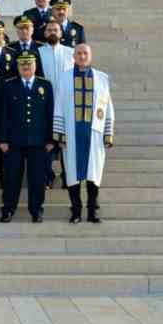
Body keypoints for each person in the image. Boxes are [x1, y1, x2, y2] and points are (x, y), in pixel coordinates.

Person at [54, 43, 115, 225]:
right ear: (73, 56)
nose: (82, 56)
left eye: (85, 53)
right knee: (73, 173)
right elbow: (58, 106)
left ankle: (92, 211)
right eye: (79, 53)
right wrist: (59, 133)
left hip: (94, 134)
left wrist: (108, 133)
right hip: (72, 133)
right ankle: (76, 211)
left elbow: (108, 107)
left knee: (93, 174)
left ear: (91, 56)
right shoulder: (64, 79)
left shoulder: (102, 78)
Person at [0, 51, 55, 222]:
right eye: (22, 64)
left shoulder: (45, 85)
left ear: (35, 65)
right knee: (11, 177)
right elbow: (3, 114)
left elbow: (50, 113)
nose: (26, 67)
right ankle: (8, 209)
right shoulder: (9, 85)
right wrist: (3, 139)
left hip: (39, 142)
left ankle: (36, 210)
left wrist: (51, 139)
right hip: (14, 141)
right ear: (18, 66)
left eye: (29, 63)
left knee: (37, 178)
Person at [38, 20, 75, 188]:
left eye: (55, 29)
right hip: (45, 105)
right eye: (49, 30)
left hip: (66, 104)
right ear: (45, 33)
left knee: (66, 144)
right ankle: (47, 176)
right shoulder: (37, 52)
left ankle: (68, 176)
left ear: (61, 33)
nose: (52, 32)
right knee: (46, 144)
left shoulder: (71, 52)